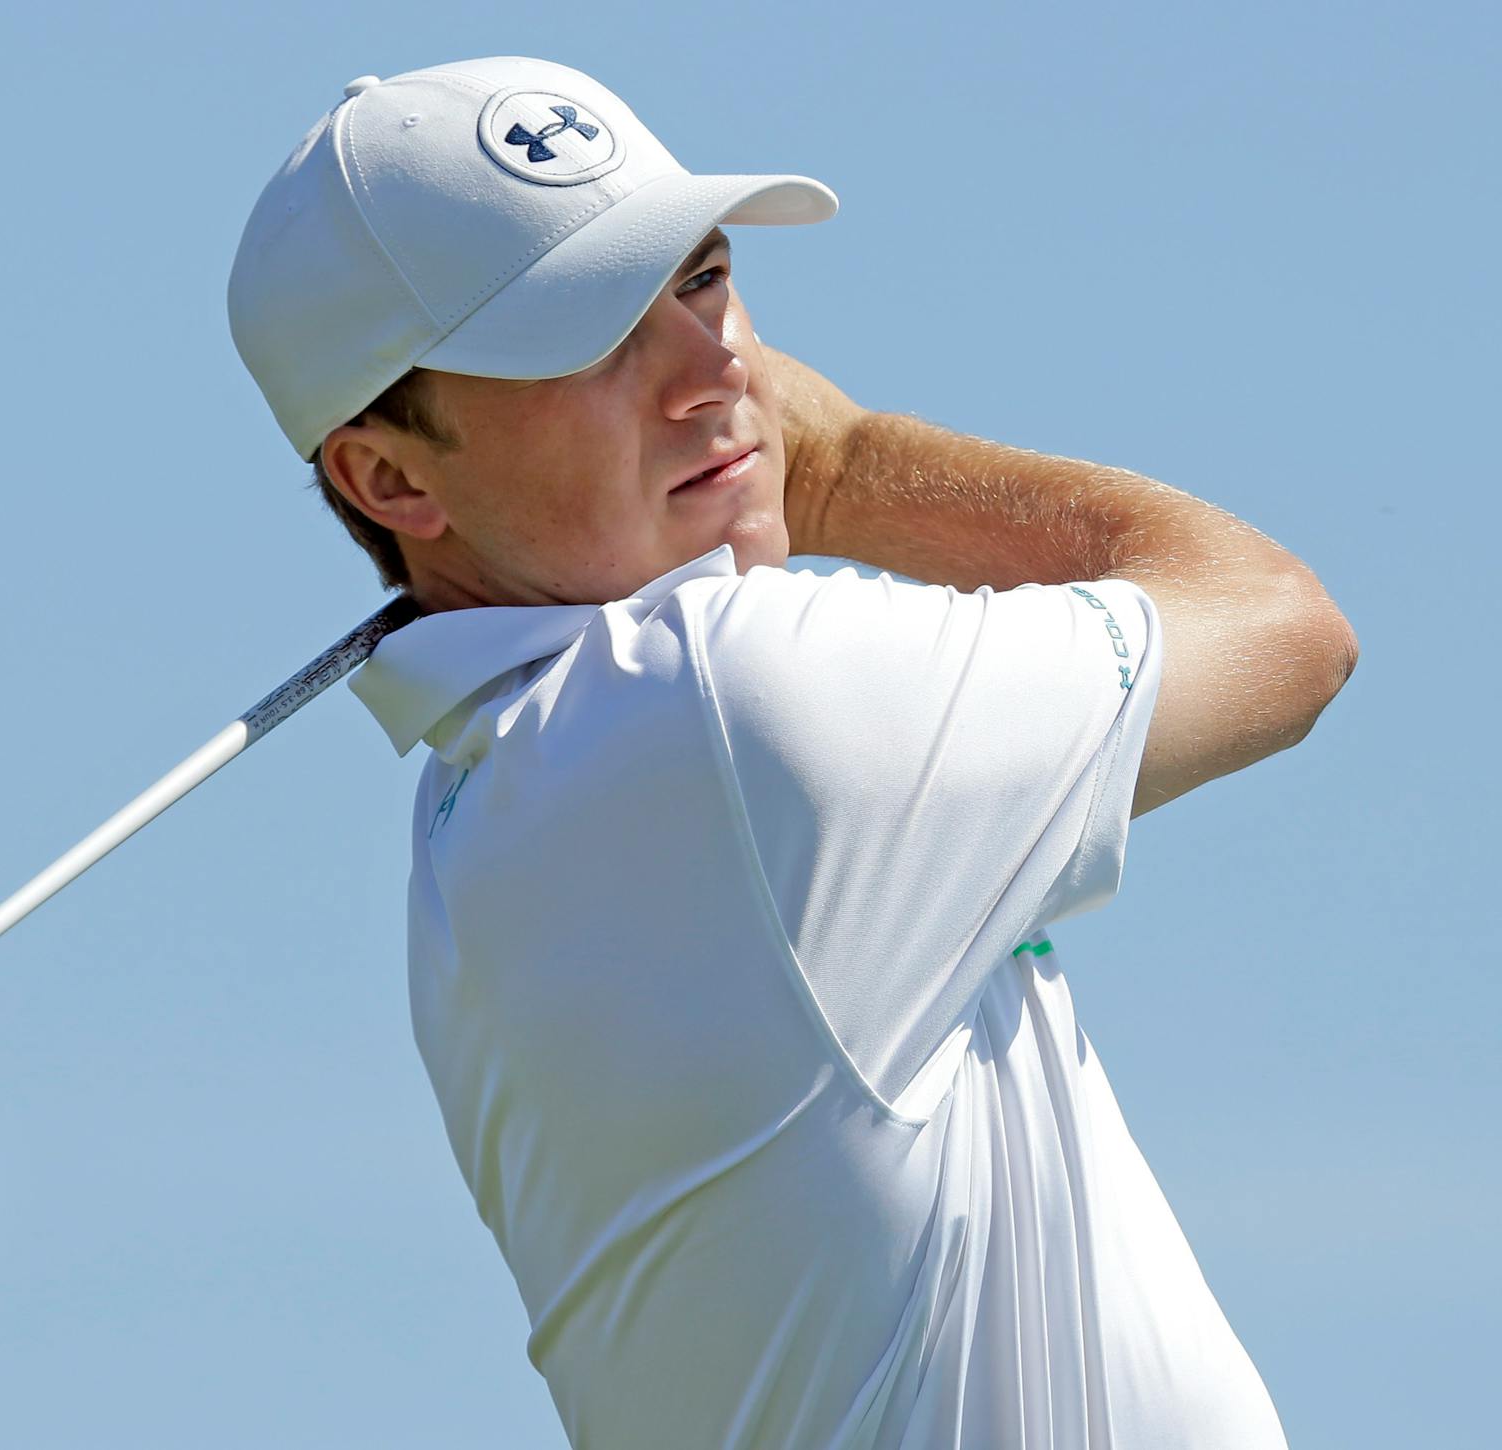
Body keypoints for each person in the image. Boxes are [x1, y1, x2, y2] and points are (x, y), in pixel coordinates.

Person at [228, 56, 1356, 1449]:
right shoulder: (713, 712)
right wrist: (841, 464)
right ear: (392, 477)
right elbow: (1285, 630)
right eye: (587, 338)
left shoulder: (494, 812)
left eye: (700, 278)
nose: (716, 371)